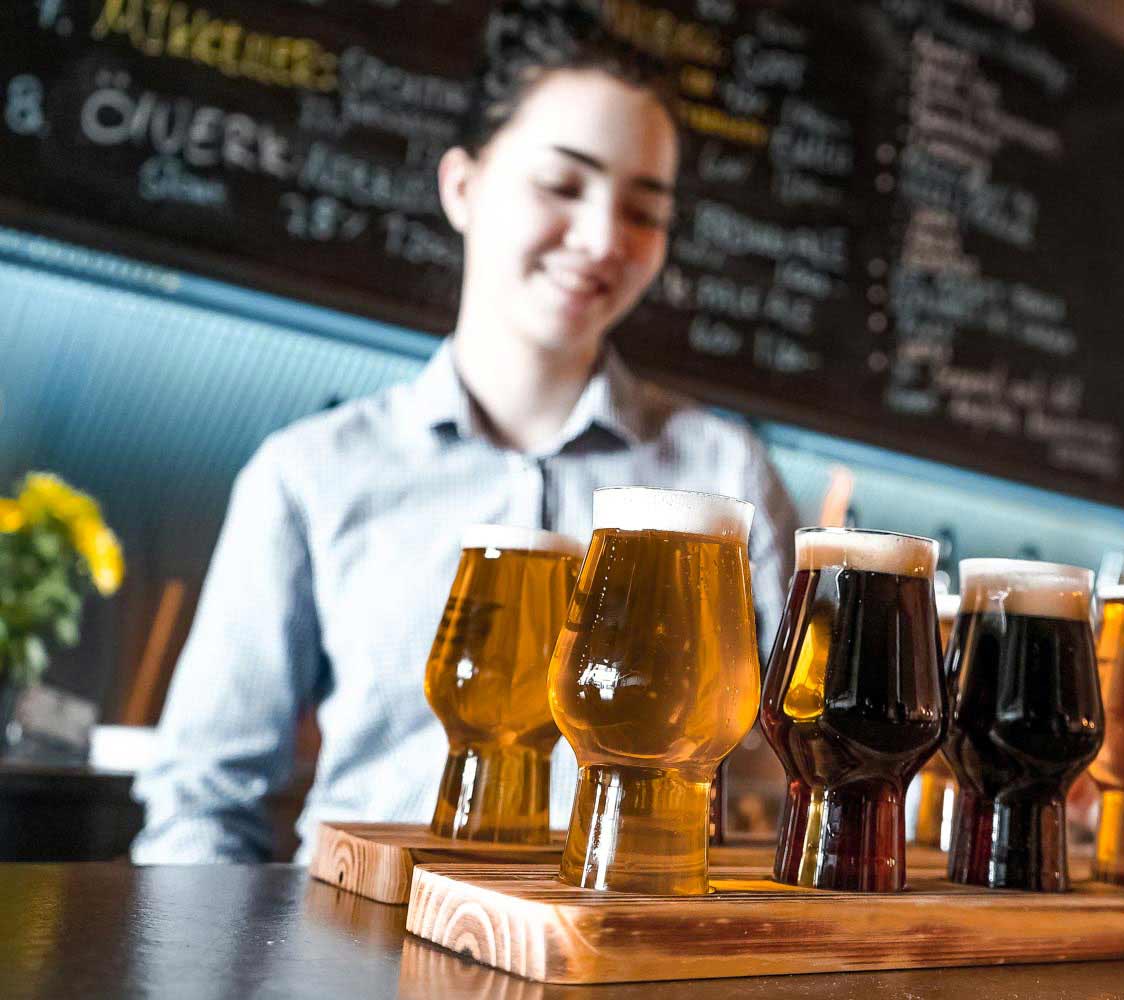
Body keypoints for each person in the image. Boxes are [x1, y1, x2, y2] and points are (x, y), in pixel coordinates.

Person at [132, 21, 798, 863]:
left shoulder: (724, 473)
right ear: (462, 187)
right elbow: (202, 795)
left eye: (643, 210)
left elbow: (781, 783)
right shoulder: (311, 471)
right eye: (563, 183)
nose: (602, 239)